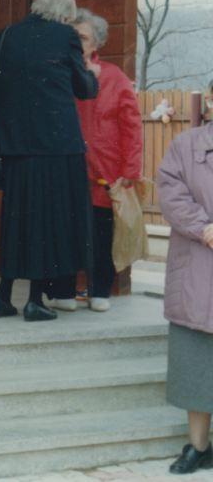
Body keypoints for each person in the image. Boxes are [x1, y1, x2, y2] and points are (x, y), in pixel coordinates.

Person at [0, 0, 99, 322]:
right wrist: (92, 73)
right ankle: (35, 300)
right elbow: (85, 88)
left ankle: (2, 297)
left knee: (18, 222)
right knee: (48, 222)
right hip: (58, 148)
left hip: (16, 148)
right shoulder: (65, 37)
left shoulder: (5, 36)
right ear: (65, 16)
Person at [70, 9, 143, 313]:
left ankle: (99, 290)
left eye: (83, 37)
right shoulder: (61, 73)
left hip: (106, 171)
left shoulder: (115, 77)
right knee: (69, 231)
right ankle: (65, 289)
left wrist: (131, 169)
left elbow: (132, 126)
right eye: (72, 36)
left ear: (95, 44)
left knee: (102, 234)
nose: (76, 42)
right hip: (71, 168)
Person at [157, 120, 213, 475]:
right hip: (197, 270)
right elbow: (170, 193)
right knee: (196, 364)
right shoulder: (185, 144)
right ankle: (198, 447)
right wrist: (205, 228)